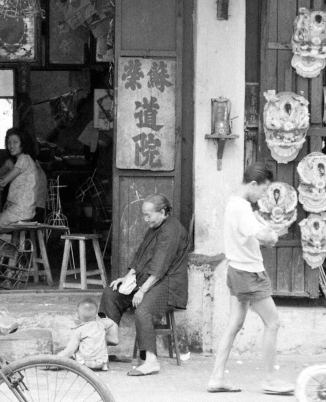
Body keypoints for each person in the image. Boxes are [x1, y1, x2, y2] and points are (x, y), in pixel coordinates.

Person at [206, 163, 294, 395]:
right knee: (272, 323)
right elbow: (262, 236)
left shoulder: (235, 204)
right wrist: (273, 232)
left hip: (237, 269)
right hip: (249, 273)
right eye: (263, 191)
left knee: (235, 324)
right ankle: (269, 379)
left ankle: (217, 377)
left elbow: (250, 236)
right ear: (253, 184)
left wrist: (264, 231)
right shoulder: (242, 209)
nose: (264, 196)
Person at [98, 194, 189, 377]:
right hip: (146, 280)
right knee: (111, 293)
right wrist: (128, 277)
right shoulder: (154, 227)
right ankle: (111, 335)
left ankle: (151, 361)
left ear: (162, 212)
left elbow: (160, 266)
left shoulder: (171, 231)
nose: (145, 219)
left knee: (143, 311)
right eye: (144, 215)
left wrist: (143, 290)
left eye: (148, 215)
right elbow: (140, 256)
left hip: (168, 283)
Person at [0, 128, 45, 227]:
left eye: (15, 142)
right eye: (9, 142)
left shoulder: (23, 159)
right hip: (25, 209)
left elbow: (4, 181)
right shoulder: (26, 159)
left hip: (19, 211)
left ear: (23, 144)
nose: (11, 146)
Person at [57, 298, 119, 371]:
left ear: (77, 315)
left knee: (74, 352)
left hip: (85, 363)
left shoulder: (78, 330)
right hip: (101, 362)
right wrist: (109, 337)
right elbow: (112, 323)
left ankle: (82, 364)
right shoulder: (101, 324)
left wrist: (56, 358)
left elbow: (70, 350)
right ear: (96, 315)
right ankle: (104, 366)